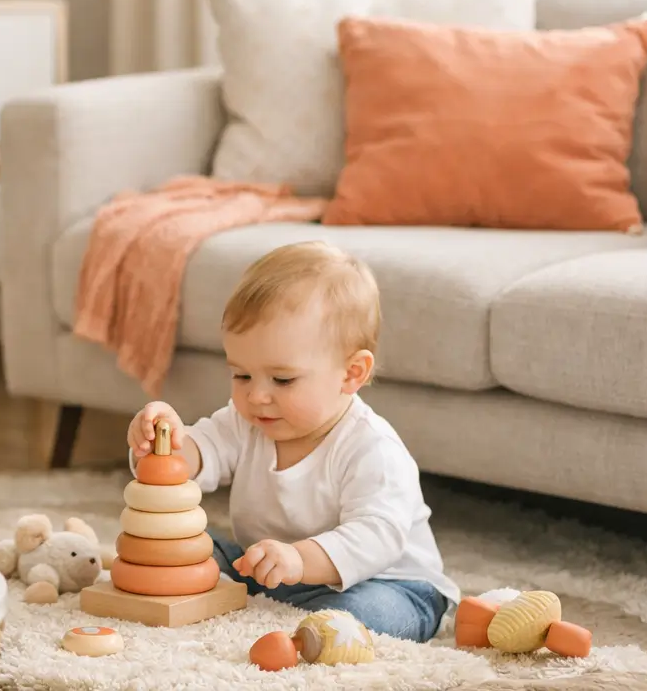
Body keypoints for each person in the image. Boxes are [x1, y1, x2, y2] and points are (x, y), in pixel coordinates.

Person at [126, 242, 458, 641]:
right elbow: (195, 460)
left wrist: (301, 559)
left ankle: (320, 631)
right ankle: (275, 603)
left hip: (387, 582)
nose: (256, 396)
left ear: (351, 373)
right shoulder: (244, 422)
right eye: (241, 375)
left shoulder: (372, 448)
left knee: (358, 617)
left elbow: (378, 536)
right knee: (183, 546)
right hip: (274, 573)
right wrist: (162, 443)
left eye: (282, 379)